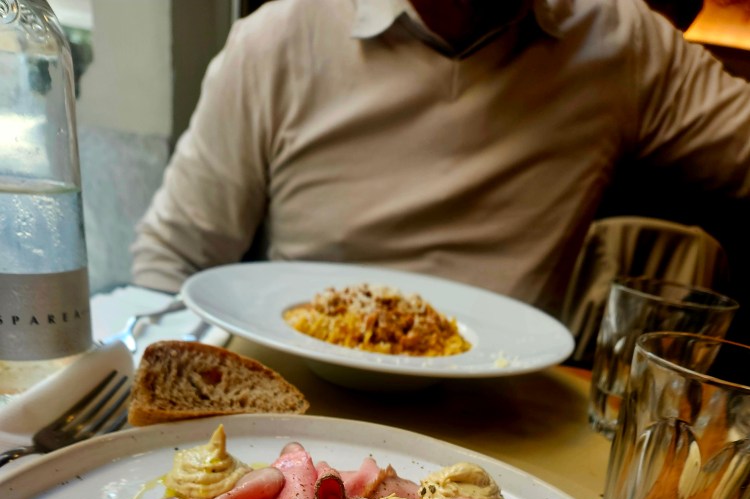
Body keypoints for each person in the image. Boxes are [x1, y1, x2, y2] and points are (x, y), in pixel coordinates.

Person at [131, 0, 750, 326]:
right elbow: (174, 259)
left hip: (513, 421)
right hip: (301, 404)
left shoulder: (623, 40)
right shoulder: (278, 39)